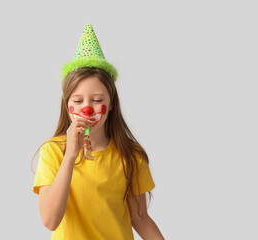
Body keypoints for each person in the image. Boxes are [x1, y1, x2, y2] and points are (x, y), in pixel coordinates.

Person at [33, 24, 164, 240]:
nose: (87, 109)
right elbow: (50, 220)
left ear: (111, 103)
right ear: (67, 104)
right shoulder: (53, 152)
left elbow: (139, 217)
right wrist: (70, 157)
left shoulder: (131, 156)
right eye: (77, 100)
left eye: (97, 100)